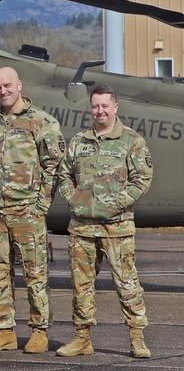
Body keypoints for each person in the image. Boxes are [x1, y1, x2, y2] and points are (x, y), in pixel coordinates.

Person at [55, 85, 152, 359]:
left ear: (115, 107)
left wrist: (116, 202)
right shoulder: (78, 142)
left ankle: (137, 338)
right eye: (95, 106)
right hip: (82, 227)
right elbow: (64, 176)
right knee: (81, 285)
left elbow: (142, 179)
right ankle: (82, 338)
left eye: (105, 106)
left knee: (127, 283)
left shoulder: (131, 141)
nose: (100, 111)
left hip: (117, 228)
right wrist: (74, 199)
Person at [0, 67, 65, 354]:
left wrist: (41, 205)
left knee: (35, 274)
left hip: (27, 211)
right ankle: (4, 331)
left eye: (8, 85)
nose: (3, 91)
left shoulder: (42, 122)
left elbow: (54, 166)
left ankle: (39, 331)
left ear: (19, 86)